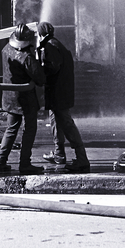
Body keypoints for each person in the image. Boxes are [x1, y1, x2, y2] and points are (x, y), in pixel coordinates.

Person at [36, 21, 90, 173]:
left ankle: (82, 159)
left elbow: (52, 68)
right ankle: (59, 154)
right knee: (56, 122)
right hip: (60, 92)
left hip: (58, 93)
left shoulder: (50, 46)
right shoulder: (56, 44)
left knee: (66, 124)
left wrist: (39, 70)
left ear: (40, 34)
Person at [0, 23, 46, 175]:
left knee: (11, 129)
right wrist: (38, 60)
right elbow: (40, 79)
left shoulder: (6, 49)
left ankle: (0, 162)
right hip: (25, 99)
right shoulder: (27, 57)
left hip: (9, 97)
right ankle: (25, 164)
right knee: (29, 129)